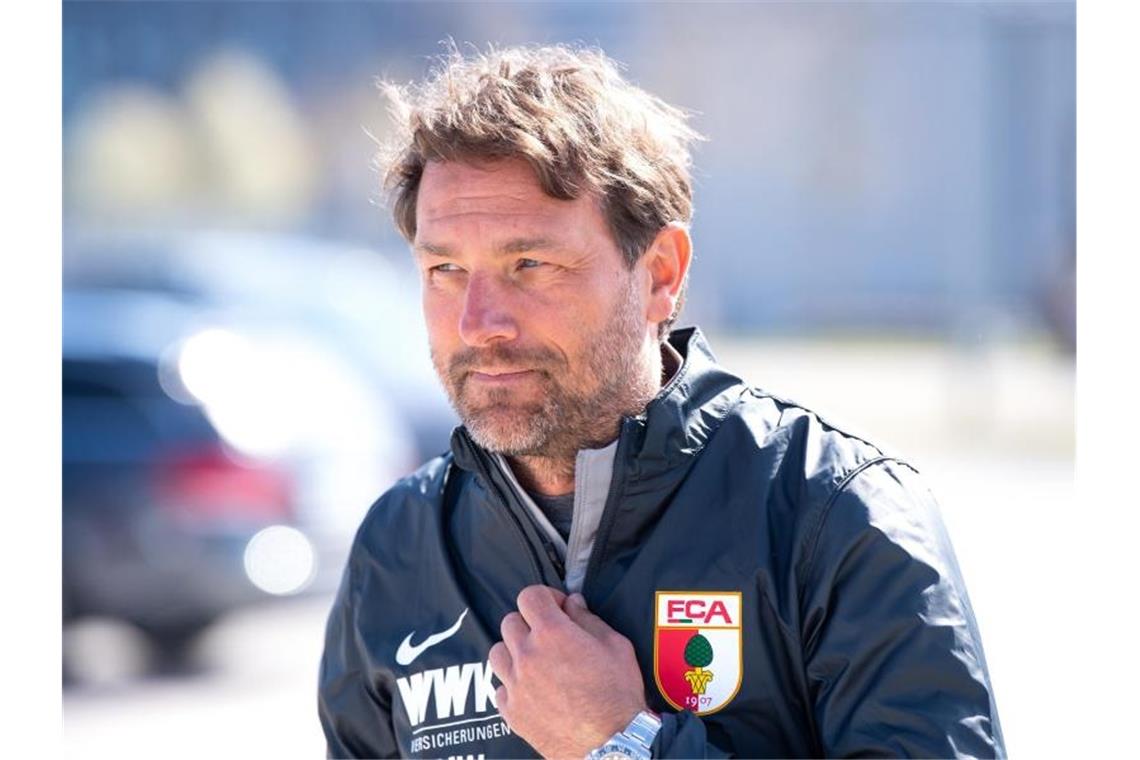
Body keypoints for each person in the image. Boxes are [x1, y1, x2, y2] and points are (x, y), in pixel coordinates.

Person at [318, 44, 1004, 759]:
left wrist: (624, 742)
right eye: (446, 269)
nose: (478, 322)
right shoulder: (397, 548)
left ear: (660, 275)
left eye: (530, 264)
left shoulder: (832, 513)